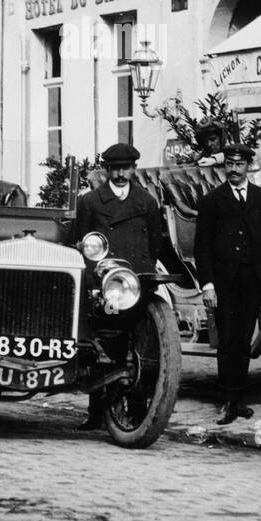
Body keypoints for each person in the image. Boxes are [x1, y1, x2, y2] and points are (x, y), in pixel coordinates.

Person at [72, 142, 165, 429]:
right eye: (115, 169)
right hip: (105, 282)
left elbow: (154, 244)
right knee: (106, 339)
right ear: (107, 170)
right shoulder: (90, 202)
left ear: (134, 169)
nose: (121, 174)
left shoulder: (147, 202)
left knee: (139, 343)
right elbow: (82, 242)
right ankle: (98, 410)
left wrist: (143, 270)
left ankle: (135, 410)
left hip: (135, 280)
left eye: (126, 168)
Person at [194, 143, 261, 425]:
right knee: (227, 341)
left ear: (248, 166)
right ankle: (228, 402)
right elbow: (202, 247)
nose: (233, 169)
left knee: (244, 341)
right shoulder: (211, 201)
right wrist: (207, 284)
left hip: (252, 281)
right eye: (229, 164)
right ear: (224, 167)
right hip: (223, 283)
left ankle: (240, 399)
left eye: (239, 164)